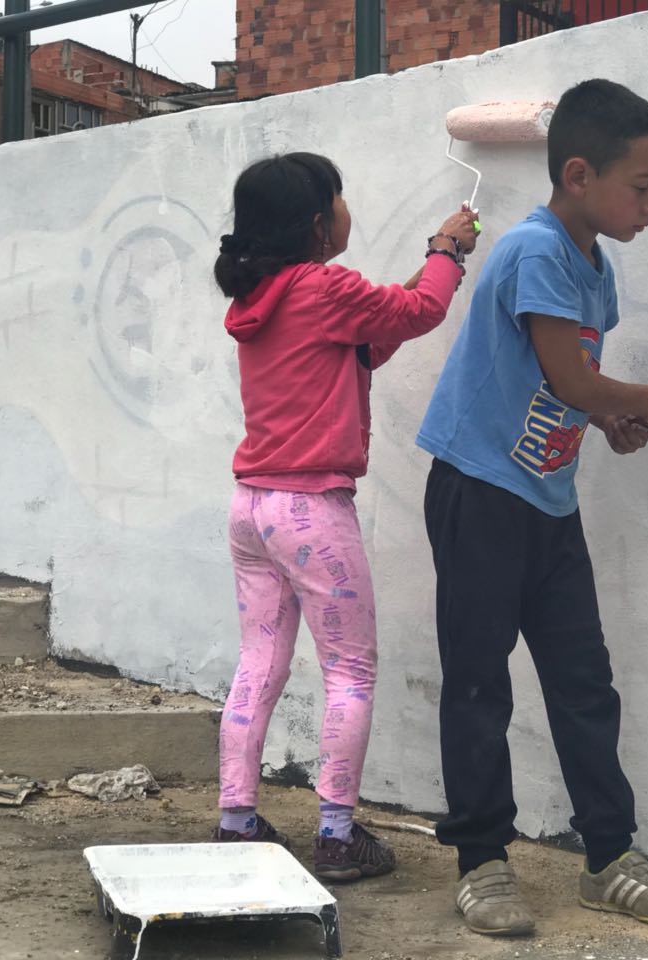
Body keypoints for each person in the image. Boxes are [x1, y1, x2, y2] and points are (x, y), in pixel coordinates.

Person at [415, 79, 648, 933]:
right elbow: (569, 376)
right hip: (480, 493)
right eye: (641, 186)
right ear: (579, 174)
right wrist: (639, 398)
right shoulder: (536, 251)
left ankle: (609, 856)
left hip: (546, 498)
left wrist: (614, 420)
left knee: (584, 682)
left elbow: (574, 392)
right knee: (478, 684)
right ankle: (483, 862)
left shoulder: (591, 267)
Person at [213, 152, 478, 882]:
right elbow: (418, 310)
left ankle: (237, 819)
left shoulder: (260, 294)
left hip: (251, 510)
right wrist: (446, 251)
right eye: (341, 197)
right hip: (310, 513)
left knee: (258, 663)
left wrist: (424, 272)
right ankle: (335, 835)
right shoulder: (325, 287)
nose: (346, 208)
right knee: (351, 671)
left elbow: (367, 341)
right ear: (319, 225)